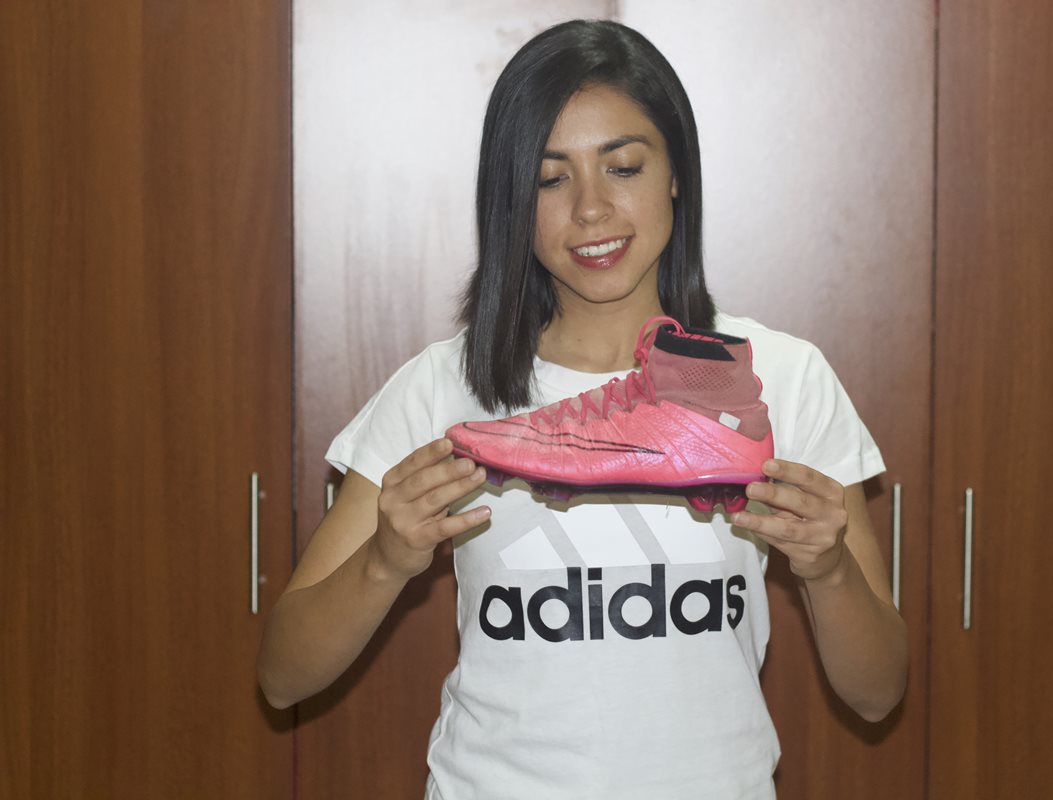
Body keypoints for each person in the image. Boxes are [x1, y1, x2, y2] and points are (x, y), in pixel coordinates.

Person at [257, 19, 907, 800]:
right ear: (513, 199)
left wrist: (828, 570)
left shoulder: (775, 379)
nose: (591, 209)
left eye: (623, 167)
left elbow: (878, 693)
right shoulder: (445, 390)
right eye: (549, 179)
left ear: (676, 173)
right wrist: (385, 561)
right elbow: (284, 677)